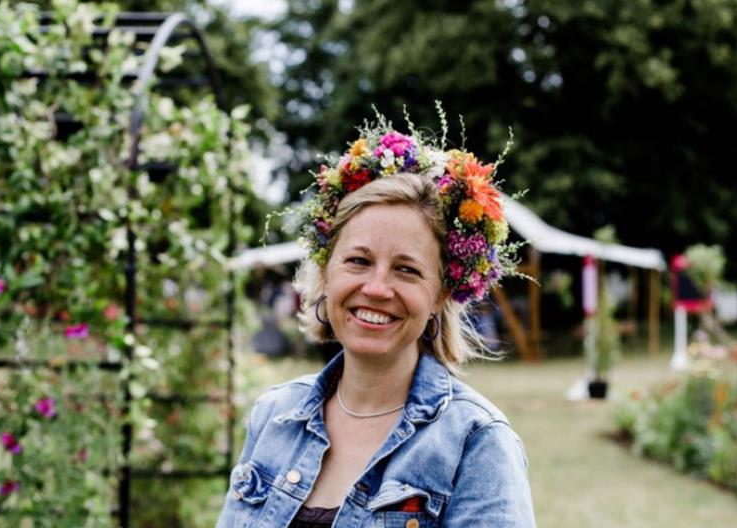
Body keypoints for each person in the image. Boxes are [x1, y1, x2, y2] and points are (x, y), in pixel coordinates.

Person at [216, 117, 537, 527]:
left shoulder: (476, 442)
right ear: (326, 271)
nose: (377, 288)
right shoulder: (274, 415)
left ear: (441, 294)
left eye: (406, 270)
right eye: (358, 261)